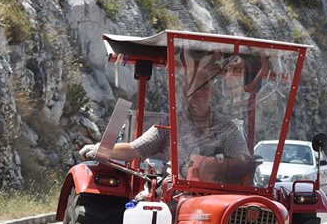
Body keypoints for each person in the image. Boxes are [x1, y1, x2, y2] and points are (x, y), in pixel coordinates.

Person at [79, 58, 255, 183]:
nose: (199, 93)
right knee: (144, 214)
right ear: (186, 92)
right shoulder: (170, 124)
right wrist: (101, 148)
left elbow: (243, 161)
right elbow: (134, 149)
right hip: (174, 193)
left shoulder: (227, 127)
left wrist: (216, 166)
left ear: (211, 91)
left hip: (215, 195)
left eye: (204, 87)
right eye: (194, 88)